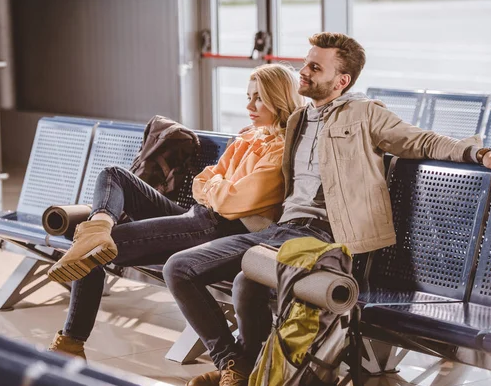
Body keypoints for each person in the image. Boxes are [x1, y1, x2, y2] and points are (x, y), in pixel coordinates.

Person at [165, 32, 491, 386]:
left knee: (186, 268)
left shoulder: (363, 113)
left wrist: (479, 153)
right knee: (229, 278)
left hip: (326, 238)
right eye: (305, 63)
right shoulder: (298, 120)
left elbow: (419, 140)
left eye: (314, 67)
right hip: (285, 232)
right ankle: (241, 366)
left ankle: (240, 367)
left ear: (341, 80)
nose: (303, 72)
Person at [45, 63, 305, 358]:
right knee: (114, 175)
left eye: (259, 97)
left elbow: (231, 202)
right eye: (248, 96)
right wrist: (215, 188)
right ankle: (98, 227)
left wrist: (214, 188)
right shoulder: (249, 138)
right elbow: (202, 181)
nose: (249, 105)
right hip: (198, 216)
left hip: (219, 230)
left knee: (88, 254)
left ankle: (71, 342)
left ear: (279, 97)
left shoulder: (281, 149)